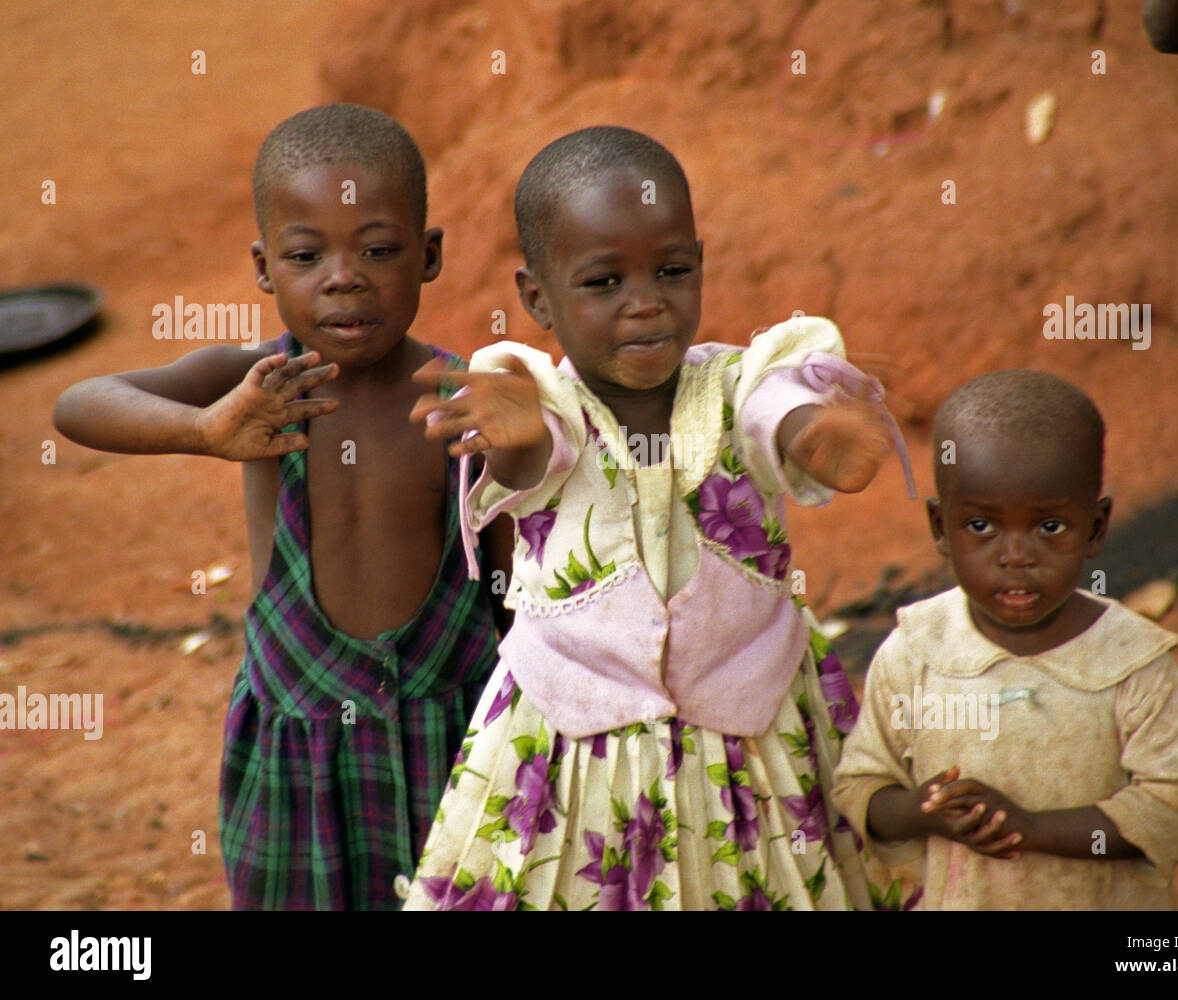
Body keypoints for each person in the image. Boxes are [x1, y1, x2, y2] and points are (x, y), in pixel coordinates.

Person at [399, 125, 916, 911]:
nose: (645, 303)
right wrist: (512, 442)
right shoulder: (541, 407)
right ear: (537, 297)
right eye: (604, 282)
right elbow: (532, 464)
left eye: (671, 271)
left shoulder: (741, 382)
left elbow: (774, 408)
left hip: (748, 733)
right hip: (574, 740)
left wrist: (810, 436)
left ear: (699, 265)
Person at [52, 104, 508, 910]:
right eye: (306, 255)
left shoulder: (464, 399)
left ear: (428, 255)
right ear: (265, 269)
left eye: (379, 249)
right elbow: (81, 404)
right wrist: (205, 427)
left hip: (460, 741)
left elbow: (510, 589)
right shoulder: (258, 381)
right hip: (299, 763)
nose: (344, 276)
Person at [830, 370, 1178, 909]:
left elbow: (1176, 811)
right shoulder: (916, 652)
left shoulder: (1135, 664)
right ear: (941, 529)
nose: (1017, 556)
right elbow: (861, 790)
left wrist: (1031, 828)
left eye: (1051, 527)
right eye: (982, 527)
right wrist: (927, 811)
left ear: (1097, 528)